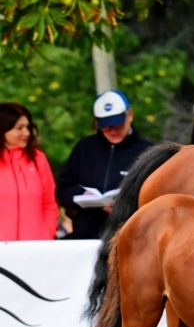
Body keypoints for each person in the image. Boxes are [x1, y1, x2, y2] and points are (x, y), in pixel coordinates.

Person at [55, 90, 153, 239]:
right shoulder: (84, 147)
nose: (113, 131)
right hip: (86, 237)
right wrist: (84, 196)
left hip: (128, 239)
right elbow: (62, 190)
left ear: (130, 115)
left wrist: (125, 205)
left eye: (118, 125)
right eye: (106, 126)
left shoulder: (147, 151)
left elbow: (156, 195)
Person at [0, 102, 59, 241]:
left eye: (27, 127)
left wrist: (47, 234)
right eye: (19, 128)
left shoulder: (38, 159)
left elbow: (50, 202)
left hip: (35, 249)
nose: (26, 133)